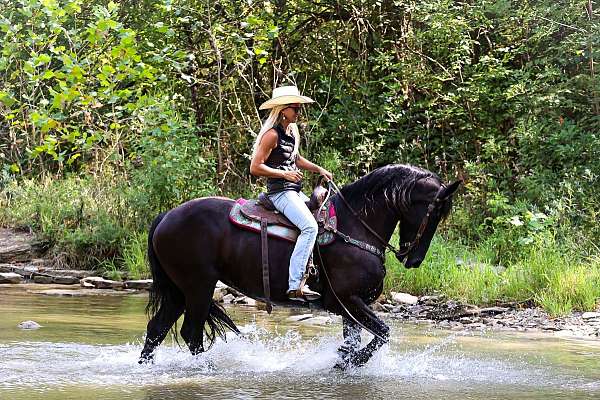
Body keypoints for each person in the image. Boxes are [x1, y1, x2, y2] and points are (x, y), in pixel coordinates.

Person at [250, 85, 333, 302]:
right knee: (310, 226)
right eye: (294, 108)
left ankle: (317, 274)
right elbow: (255, 167)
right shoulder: (271, 135)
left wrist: (318, 169)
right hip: (280, 193)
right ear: (282, 109)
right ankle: (295, 285)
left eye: (298, 107)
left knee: (323, 217)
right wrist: (284, 175)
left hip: (294, 191)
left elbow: (295, 159)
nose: (298, 111)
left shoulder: (291, 132)